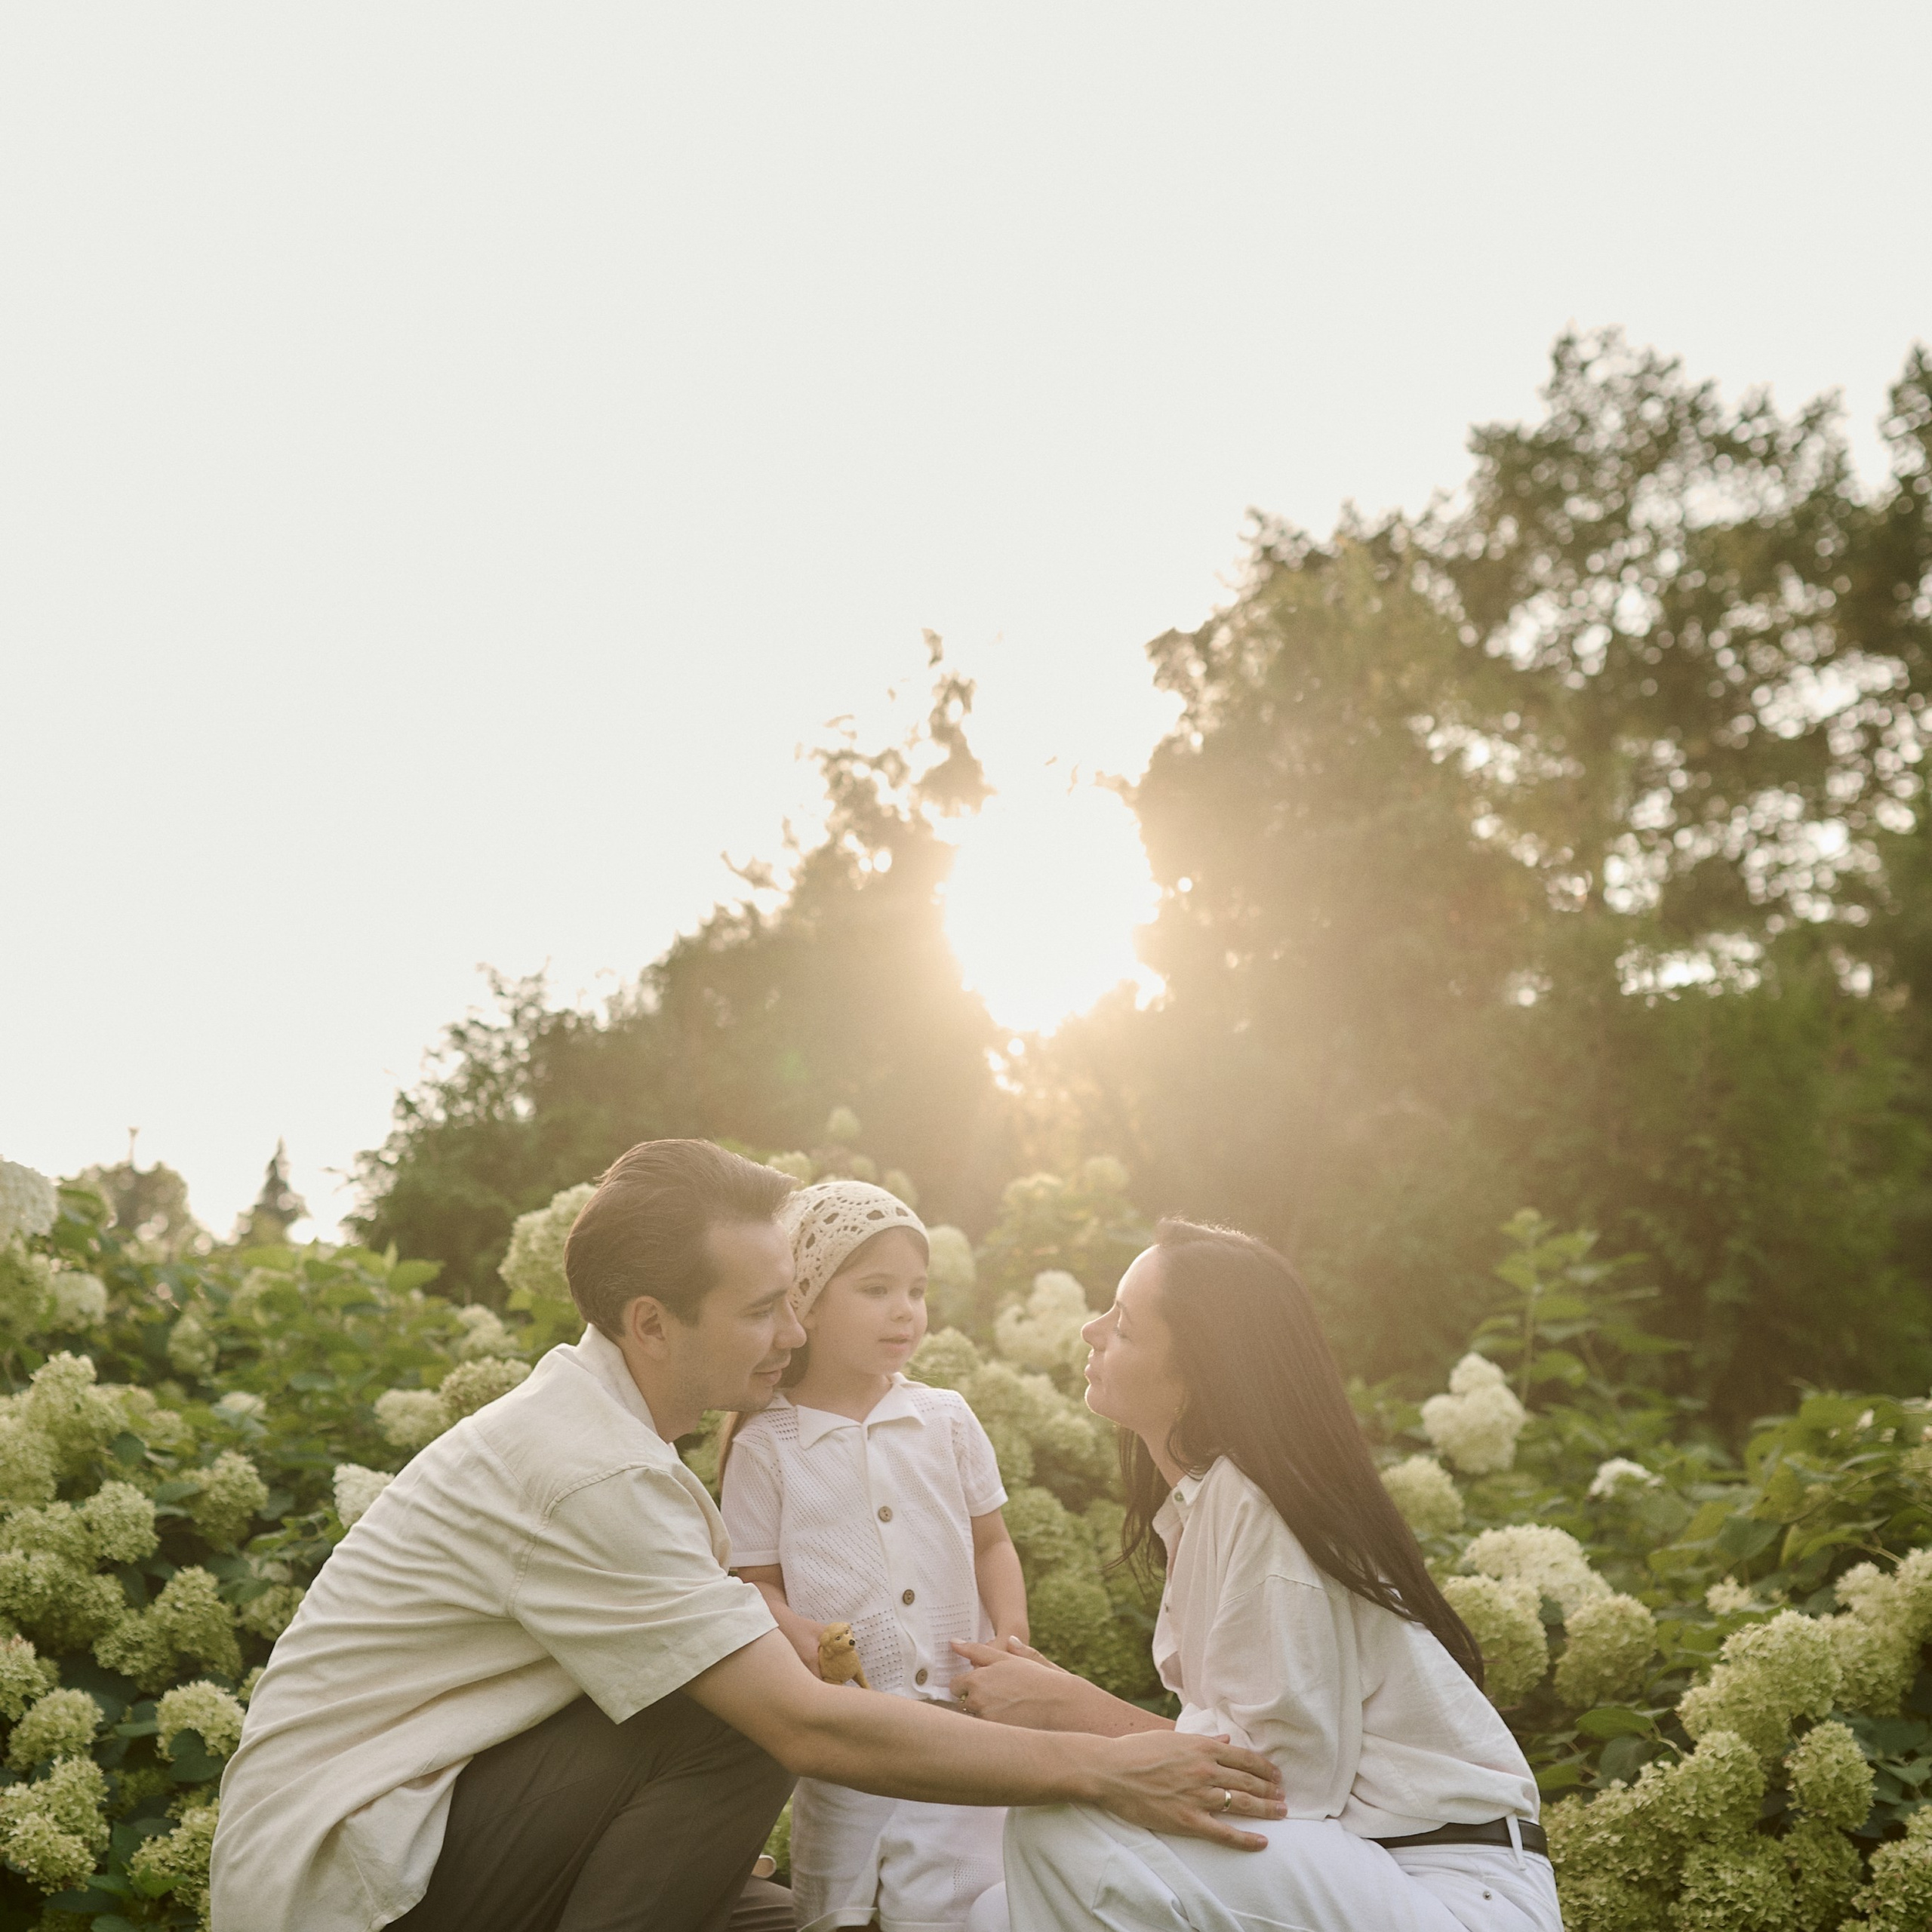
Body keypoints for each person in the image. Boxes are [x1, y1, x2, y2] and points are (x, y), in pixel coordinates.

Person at [209, 1144, 1284, 1932]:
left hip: (438, 1830)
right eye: (766, 1308)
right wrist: (1104, 1767)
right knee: (749, 1697)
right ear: (650, 1322)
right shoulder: (593, 1473)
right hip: (348, 1885)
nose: (798, 1333)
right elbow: (804, 1729)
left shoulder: (605, 1436)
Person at [949, 1220, 1562, 1932]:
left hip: (1452, 1890)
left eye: (1123, 1326)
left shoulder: (1262, 1506)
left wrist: (1071, 1710)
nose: (1092, 1332)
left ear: (1199, 1374)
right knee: (997, 1912)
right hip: (1364, 1870)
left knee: (1063, 1830)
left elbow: (1278, 1787)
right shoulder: (1210, 1505)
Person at [721, 1180, 1023, 1932]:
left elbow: (992, 1542)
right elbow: (754, 1583)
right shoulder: (768, 1445)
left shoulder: (945, 1419)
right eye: (877, 1289)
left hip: (960, 1721)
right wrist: (799, 1635)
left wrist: (1011, 1640)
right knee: (844, 1909)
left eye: (916, 1291)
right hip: (848, 1732)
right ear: (807, 1302)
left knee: (962, 1906)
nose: (905, 1310)